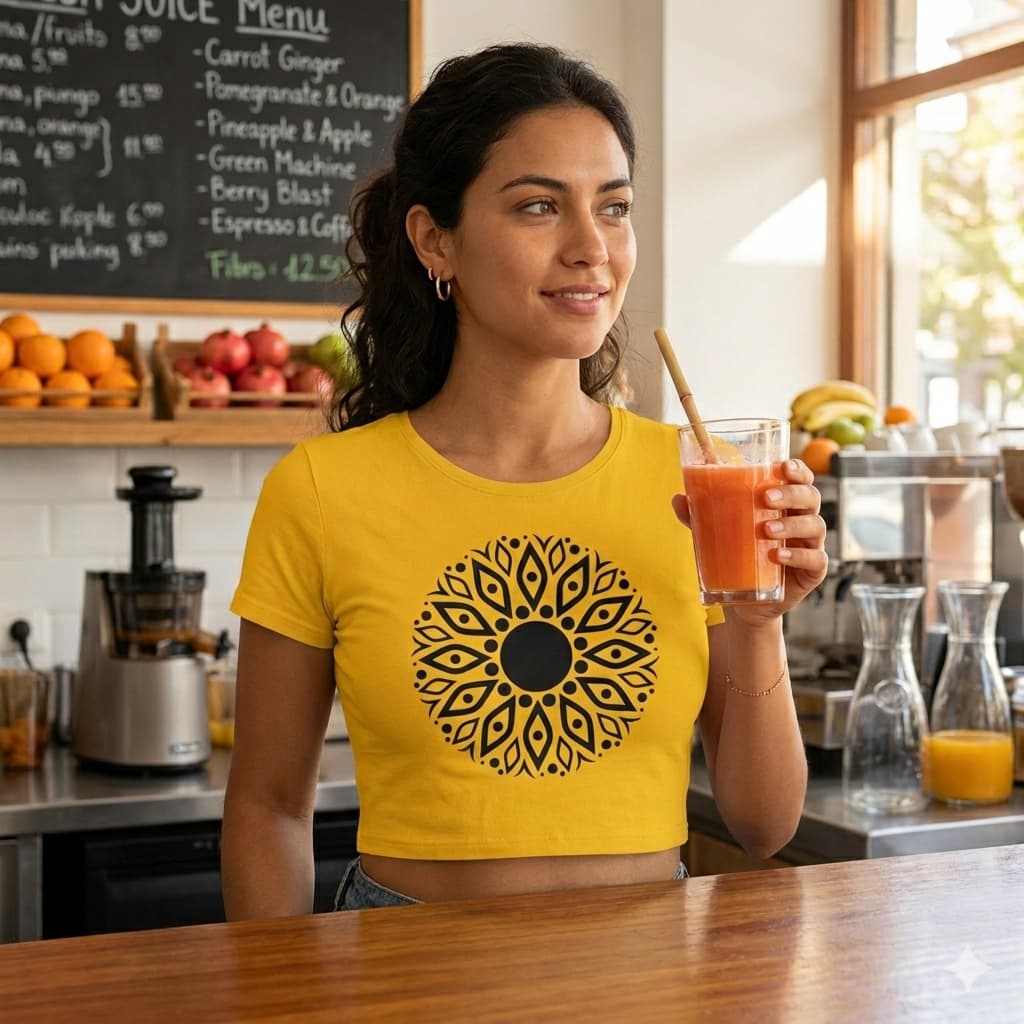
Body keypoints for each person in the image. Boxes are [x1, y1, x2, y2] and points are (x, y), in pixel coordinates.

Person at [221, 42, 828, 917]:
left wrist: (758, 620)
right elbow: (268, 808)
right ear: (436, 240)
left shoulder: (697, 480)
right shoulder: (320, 489)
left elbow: (765, 826)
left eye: (613, 207)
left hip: (648, 969)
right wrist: (275, 988)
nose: (592, 248)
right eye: (539, 206)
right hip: (405, 964)